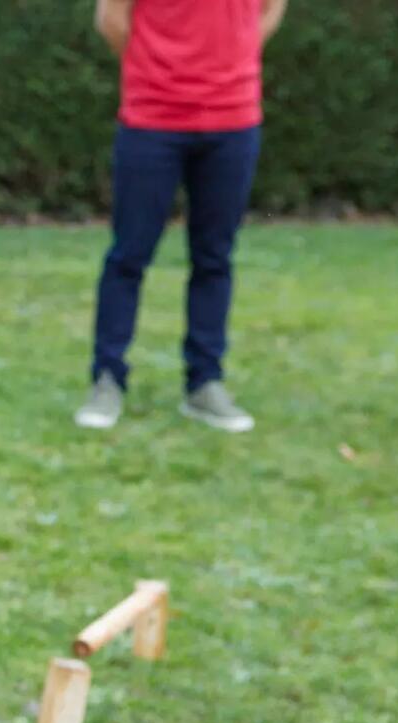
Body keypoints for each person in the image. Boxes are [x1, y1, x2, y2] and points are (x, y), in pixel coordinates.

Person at [76, 0, 289, 433]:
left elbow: (272, 8)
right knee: (129, 256)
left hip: (233, 119)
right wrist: (158, 68)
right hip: (152, 120)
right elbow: (111, 20)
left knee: (214, 258)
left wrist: (239, 53)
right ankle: (107, 379)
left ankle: (205, 383)